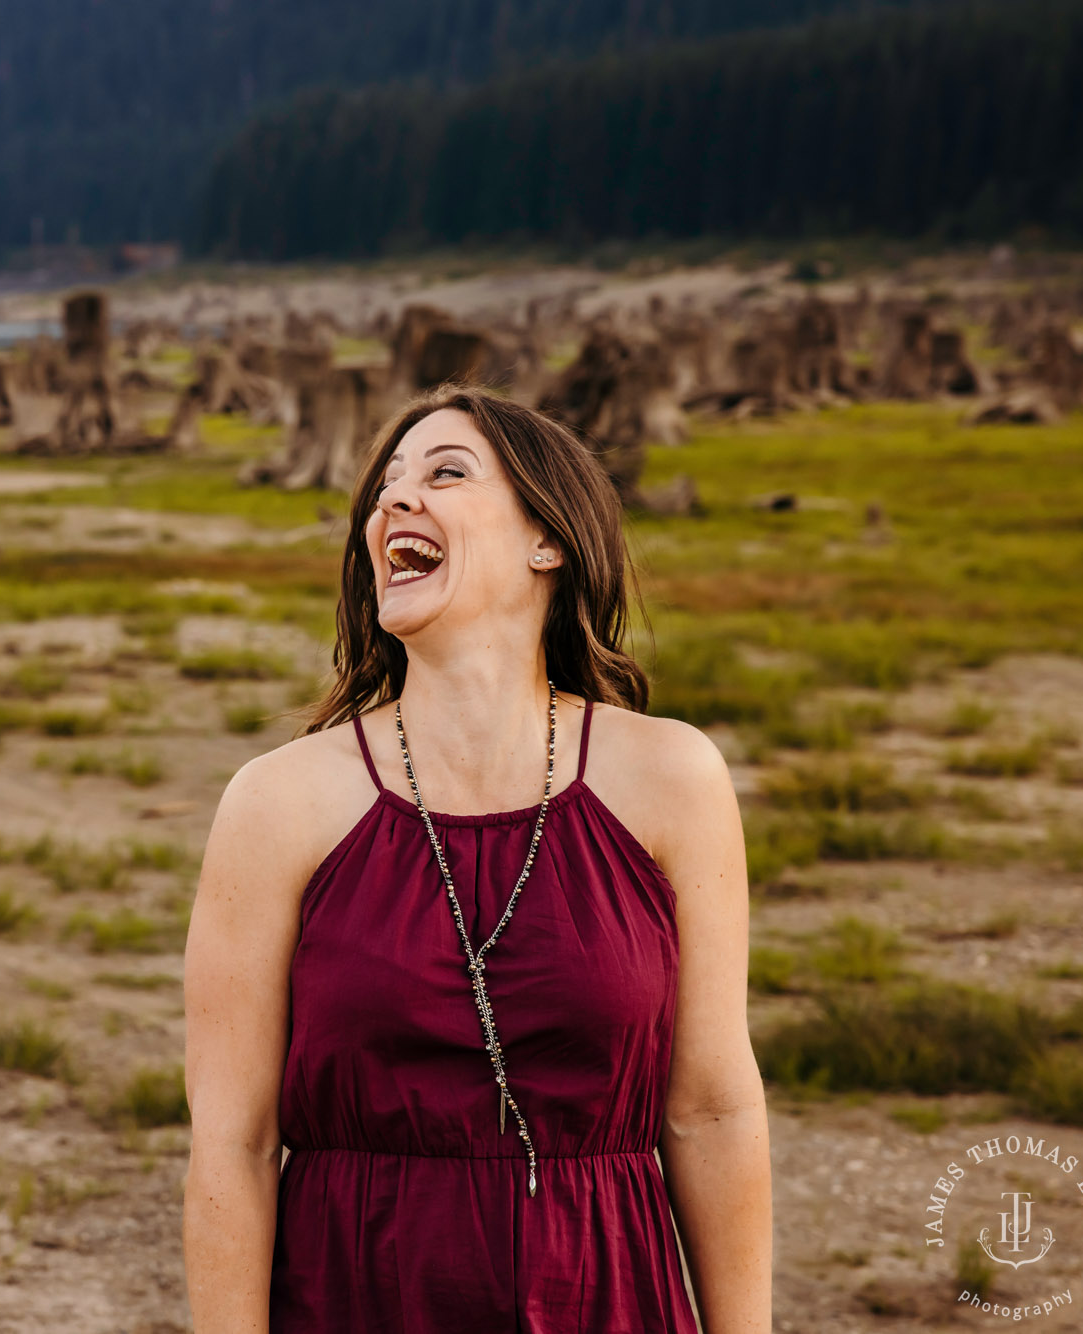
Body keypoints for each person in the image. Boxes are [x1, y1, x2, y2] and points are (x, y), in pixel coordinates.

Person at [181, 384, 771, 1332]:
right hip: (353, 1295)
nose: (392, 502)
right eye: (384, 488)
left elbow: (710, 1109)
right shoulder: (278, 802)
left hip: (604, 1293)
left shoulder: (672, 778)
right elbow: (232, 1144)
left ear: (550, 540)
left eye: (444, 473)